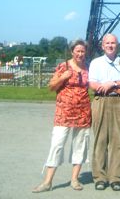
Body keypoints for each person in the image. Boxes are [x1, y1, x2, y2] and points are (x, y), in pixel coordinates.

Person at [32, 39, 91, 193]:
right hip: (64, 112)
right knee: (57, 144)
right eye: (77, 51)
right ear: (72, 52)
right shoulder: (63, 67)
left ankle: (75, 179)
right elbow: (51, 86)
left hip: (83, 112)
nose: (80, 54)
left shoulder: (87, 68)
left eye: (82, 51)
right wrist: (63, 77)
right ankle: (47, 181)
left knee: (80, 145)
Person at [88, 33, 120, 191]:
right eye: (107, 43)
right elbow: (93, 84)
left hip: (118, 103)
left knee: (117, 141)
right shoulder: (95, 63)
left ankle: (115, 178)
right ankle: (100, 177)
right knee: (100, 140)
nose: (110, 45)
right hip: (101, 101)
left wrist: (112, 83)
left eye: (113, 43)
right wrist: (114, 86)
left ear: (117, 45)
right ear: (102, 46)